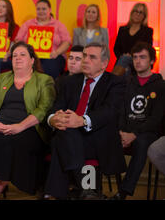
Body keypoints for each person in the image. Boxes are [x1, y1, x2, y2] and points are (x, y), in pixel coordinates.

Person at [45, 42, 127, 200]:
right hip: (70, 135)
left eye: (92, 57)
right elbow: (56, 107)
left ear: (104, 64)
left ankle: (56, 193)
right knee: (63, 132)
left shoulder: (115, 82)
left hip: (97, 137)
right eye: (84, 56)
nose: (85, 60)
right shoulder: (69, 82)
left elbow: (109, 112)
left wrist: (82, 120)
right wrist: (53, 119)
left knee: (59, 140)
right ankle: (87, 189)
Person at [0, 41, 55, 199]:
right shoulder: (2, 78)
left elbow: (43, 109)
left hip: (29, 128)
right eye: (14, 55)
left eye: (22, 55)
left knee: (15, 140)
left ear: (32, 60)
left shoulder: (44, 80)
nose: (18, 58)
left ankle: (0, 187)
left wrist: (20, 126)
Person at [111, 42, 164, 200]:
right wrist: (121, 132)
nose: (138, 61)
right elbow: (121, 112)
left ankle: (123, 192)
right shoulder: (127, 83)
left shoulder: (161, 86)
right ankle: (92, 189)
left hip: (148, 133)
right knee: (103, 138)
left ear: (152, 61)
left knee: (141, 142)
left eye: (142, 57)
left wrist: (133, 134)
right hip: (126, 131)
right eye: (135, 57)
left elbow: (156, 119)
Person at [16, 0, 71, 79]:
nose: (41, 11)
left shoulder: (58, 25)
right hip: (31, 56)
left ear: (50, 10)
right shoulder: (28, 24)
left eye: (44, 9)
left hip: (53, 56)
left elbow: (67, 42)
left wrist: (57, 52)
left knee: (50, 67)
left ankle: (47, 89)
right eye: (38, 9)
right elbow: (18, 40)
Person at [113, 3, 153, 76]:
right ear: (132, 13)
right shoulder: (122, 29)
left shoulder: (148, 31)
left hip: (138, 60)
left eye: (141, 12)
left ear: (144, 16)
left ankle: (112, 81)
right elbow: (116, 48)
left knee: (125, 61)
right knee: (126, 68)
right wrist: (124, 56)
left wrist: (132, 56)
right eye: (136, 11)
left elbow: (147, 49)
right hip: (123, 62)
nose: (137, 14)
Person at [0, 0, 20, 81]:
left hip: (8, 59)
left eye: (3, 7)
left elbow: (15, 46)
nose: (0, 8)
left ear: (8, 9)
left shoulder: (15, 27)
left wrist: (8, 54)